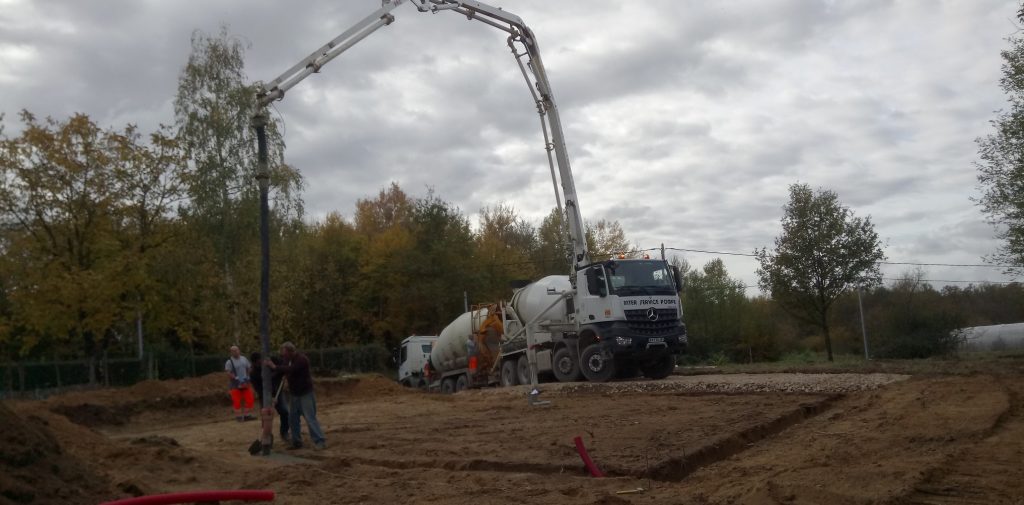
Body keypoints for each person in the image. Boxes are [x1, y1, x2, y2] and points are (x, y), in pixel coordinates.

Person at [268, 342, 326, 450]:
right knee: (292, 418)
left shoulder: (302, 360)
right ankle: (296, 441)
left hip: (305, 393)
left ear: (290, 351)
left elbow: (291, 369)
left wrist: (275, 367)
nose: (282, 355)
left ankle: (320, 441)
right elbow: (285, 369)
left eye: (284, 353)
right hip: (294, 394)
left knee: (310, 418)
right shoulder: (287, 360)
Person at [250, 351, 290, 441]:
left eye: (261, 360)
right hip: (264, 396)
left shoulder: (272, 360)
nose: (260, 363)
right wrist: (269, 398)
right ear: (255, 363)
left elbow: (283, 367)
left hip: (277, 392)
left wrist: (282, 373)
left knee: (284, 412)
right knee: (266, 417)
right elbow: (259, 389)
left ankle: (284, 432)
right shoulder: (254, 373)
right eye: (258, 362)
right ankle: (267, 436)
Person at [225, 345, 255, 422]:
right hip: (235, 384)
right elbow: (228, 372)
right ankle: (238, 417)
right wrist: (235, 378)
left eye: (236, 350)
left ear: (239, 350)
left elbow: (249, 368)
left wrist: (248, 376)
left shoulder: (244, 359)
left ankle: (247, 415)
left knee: (249, 398)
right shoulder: (229, 362)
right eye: (233, 351)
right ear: (231, 352)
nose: (235, 352)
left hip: (245, 382)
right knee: (236, 400)